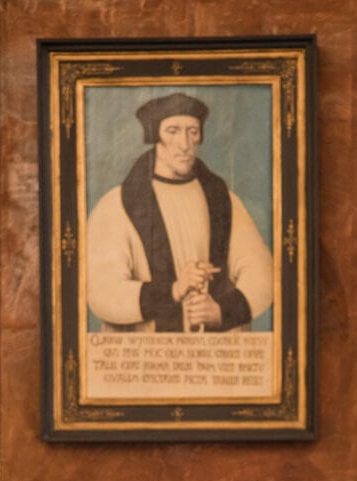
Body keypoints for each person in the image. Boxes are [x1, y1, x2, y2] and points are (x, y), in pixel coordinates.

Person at [86, 91, 273, 333]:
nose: (184, 145)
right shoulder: (115, 205)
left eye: (192, 132)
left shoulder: (224, 200)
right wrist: (173, 290)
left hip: (220, 358)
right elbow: (102, 293)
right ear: (154, 136)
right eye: (173, 131)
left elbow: (263, 274)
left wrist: (221, 311)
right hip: (145, 360)